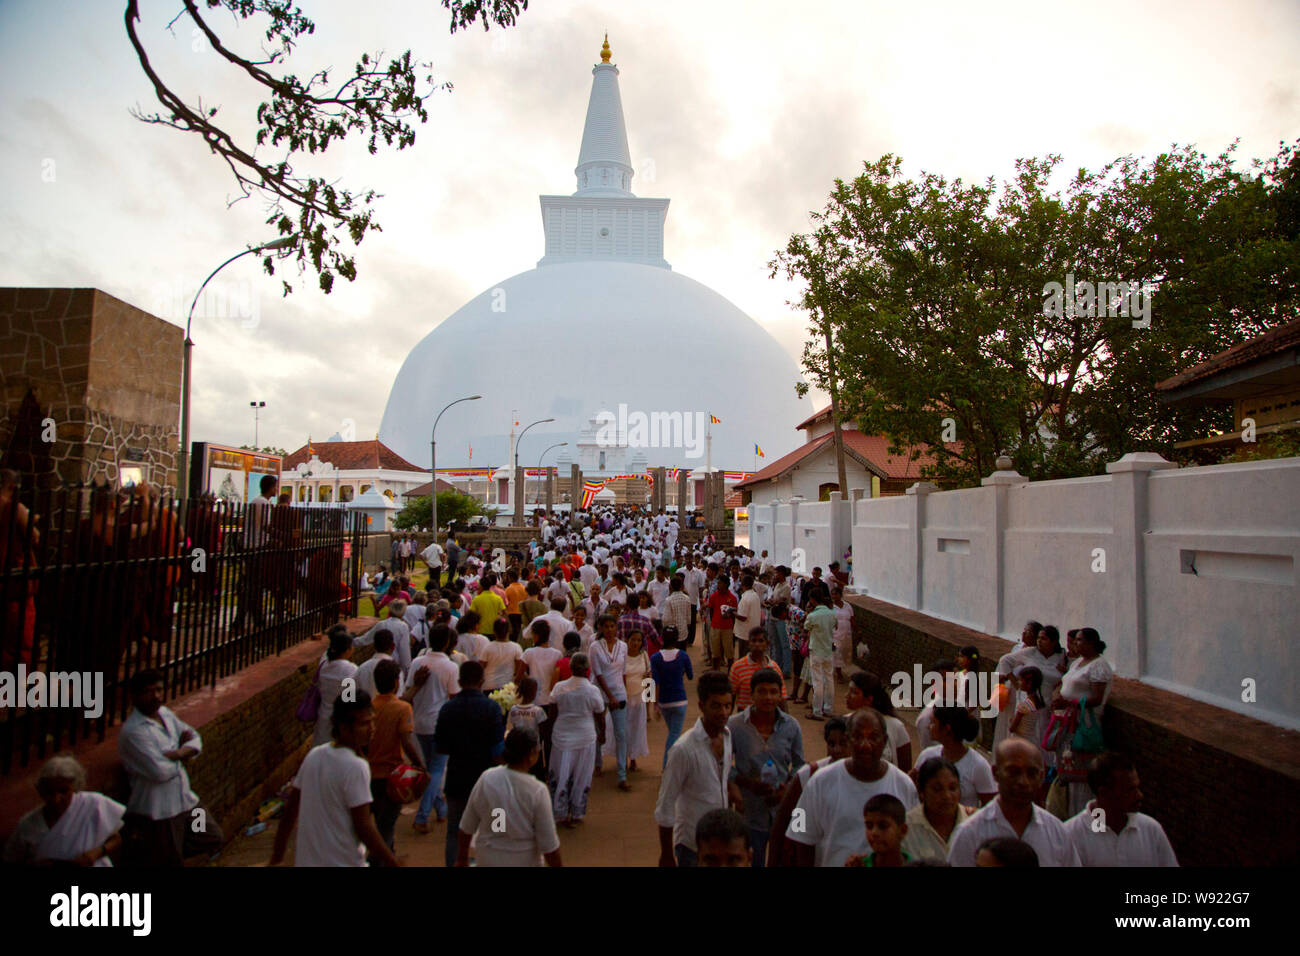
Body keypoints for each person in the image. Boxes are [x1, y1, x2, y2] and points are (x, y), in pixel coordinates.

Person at [270, 691, 400, 867]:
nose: (371, 729)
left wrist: (277, 857)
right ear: (344, 728)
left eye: (372, 722)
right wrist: (392, 862)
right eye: (364, 724)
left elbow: (290, 812)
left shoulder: (314, 756)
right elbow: (363, 827)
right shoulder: (356, 767)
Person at [117, 669, 224, 866]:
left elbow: (194, 738)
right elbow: (159, 772)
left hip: (188, 804)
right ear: (136, 696)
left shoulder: (165, 715)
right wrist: (184, 756)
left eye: (159, 690)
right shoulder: (133, 732)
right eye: (149, 691)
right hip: (161, 812)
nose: (156, 696)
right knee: (169, 858)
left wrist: (178, 754)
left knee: (211, 836)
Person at [786, 708, 918, 867]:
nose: (865, 745)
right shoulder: (819, 782)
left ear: (884, 741)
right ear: (848, 739)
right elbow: (800, 837)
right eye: (858, 737)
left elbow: (911, 844)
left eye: (873, 737)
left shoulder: (904, 785)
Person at [946, 737, 1081, 866]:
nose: (1023, 781)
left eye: (1031, 773)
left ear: (1041, 777)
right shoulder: (970, 833)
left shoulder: (1057, 833)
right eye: (1014, 772)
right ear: (995, 773)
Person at [655, 670, 743, 867]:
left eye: (728, 706)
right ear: (702, 706)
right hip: (691, 845)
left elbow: (721, 776)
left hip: (721, 842)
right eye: (716, 706)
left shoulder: (727, 736)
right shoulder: (683, 749)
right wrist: (667, 855)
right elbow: (665, 806)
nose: (723, 713)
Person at [433, 661, 506, 868]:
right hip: (487, 779)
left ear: (459, 681)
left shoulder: (448, 709)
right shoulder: (491, 707)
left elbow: (441, 747)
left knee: (455, 831)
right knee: (493, 830)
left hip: (457, 777)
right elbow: (497, 749)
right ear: (482, 681)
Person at [728, 669, 804, 867]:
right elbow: (725, 766)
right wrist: (748, 784)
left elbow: (799, 765)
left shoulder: (792, 726)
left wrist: (786, 790)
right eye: (761, 692)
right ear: (751, 694)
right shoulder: (735, 727)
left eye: (773, 692)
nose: (768, 697)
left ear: (780, 695)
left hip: (783, 811)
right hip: (749, 811)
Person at [456, 728, 562, 867]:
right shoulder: (537, 790)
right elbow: (549, 846)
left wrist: (462, 860)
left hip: (488, 859)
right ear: (531, 755)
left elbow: (466, 827)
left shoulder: (487, 778)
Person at [3, 755, 125, 867]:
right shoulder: (29, 826)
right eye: (50, 792)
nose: (56, 799)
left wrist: (96, 853)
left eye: (63, 791)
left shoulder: (93, 804)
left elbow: (116, 839)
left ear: (75, 787)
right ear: (40, 790)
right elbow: (11, 859)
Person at [1063, 752, 1178, 866]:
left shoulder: (1151, 830)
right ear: (1104, 792)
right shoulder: (1070, 835)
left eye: (1137, 788)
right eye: (1130, 790)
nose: (1139, 795)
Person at [768, 716, 850, 866]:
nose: (837, 749)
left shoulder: (862, 778)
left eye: (843, 743)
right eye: (831, 744)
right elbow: (784, 823)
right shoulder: (809, 775)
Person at [365, 659, 424, 863]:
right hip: (391, 775)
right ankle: (383, 858)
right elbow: (406, 742)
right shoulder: (401, 709)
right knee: (386, 826)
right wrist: (419, 764)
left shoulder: (370, 707)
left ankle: (384, 855)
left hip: (369, 774)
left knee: (378, 823)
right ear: (397, 683)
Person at [1052, 627, 1115, 816]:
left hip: (1085, 726)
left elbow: (1096, 698)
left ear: (1091, 643)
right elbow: (1064, 684)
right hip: (1068, 723)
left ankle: (1093, 822)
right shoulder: (1078, 662)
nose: (1075, 644)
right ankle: (1071, 818)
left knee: (1085, 775)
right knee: (1069, 769)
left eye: (1079, 640)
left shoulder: (1099, 666)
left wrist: (1069, 702)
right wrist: (1058, 695)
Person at [406, 625, 459, 834]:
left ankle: (441, 808)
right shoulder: (450, 667)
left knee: (431, 769)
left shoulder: (417, 662)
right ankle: (422, 816)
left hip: (419, 722)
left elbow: (409, 689)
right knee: (436, 770)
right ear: (447, 643)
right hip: (439, 723)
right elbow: (454, 697)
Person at [549, 653, 606, 827]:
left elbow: (552, 710)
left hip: (562, 736)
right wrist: (602, 733)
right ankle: (577, 812)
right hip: (585, 736)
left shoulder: (560, 687)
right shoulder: (592, 690)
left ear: (571, 668)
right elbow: (599, 714)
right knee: (582, 775)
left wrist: (554, 727)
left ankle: (559, 813)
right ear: (587, 669)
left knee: (561, 774)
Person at [911, 706, 997, 807]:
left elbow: (989, 807)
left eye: (933, 723)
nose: (928, 727)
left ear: (947, 729)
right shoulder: (927, 755)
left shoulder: (979, 765)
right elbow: (914, 792)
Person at [589, 613, 631, 791]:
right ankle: (598, 763)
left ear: (616, 628)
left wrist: (622, 693)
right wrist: (610, 696)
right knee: (598, 730)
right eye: (605, 627)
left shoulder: (623, 646)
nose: (609, 630)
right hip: (600, 692)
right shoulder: (595, 647)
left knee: (621, 733)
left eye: (612, 626)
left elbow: (623, 671)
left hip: (619, 692)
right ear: (600, 628)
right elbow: (598, 674)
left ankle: (622, 774)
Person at [900, 757, 971, 862]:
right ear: (921, 791)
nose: (947, 796)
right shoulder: (906, 828)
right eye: (937, 789)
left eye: (952, 788)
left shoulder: (974, 823)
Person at [845, 672, 912, 771]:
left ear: (868, 699)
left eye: (854, 692)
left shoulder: (896, 726)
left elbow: (905, 769)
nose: (847, 696)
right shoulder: (844, 723)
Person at [650, 625, 694, 767]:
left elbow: (654, 682)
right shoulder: (682, 656)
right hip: (680, 699)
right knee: (674, 734)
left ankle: (672, 764)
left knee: (673, 733)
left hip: (664, 701)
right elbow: (691, 675)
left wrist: (655, 704)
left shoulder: (655, 658)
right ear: (677, 639)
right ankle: (667, 765)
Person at [607, 629, 651, 772]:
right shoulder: (621, 656)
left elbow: (648, 679)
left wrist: (649, 704)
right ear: (627, 640)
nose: (635, 643)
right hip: (623, 699)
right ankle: (623, 759)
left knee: (636, 729)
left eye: (638, 640)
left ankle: (633, 758)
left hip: (639, 699)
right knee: (622, 729)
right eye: (633, 640)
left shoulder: (644, 656)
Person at [313, 629, 359, 746]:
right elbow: (349, 699)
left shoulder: (324, 666)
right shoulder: (350, 669)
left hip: (323, 716)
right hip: (340, 720)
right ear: (347, 650)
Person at [843, 793, 910, 866]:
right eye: (869, 826)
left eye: (883, 826)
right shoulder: (859, 865)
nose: (874, 833)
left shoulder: (916, 864)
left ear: (903, 831)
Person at [729, 627, 785, 711]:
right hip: (745, 718)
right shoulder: (737, 667)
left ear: (767, 644)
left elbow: (782, 698)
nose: (757, 644)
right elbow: (730, 696)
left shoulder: (774, 668)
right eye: (754, 641)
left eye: (761, 641)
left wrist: (785, 721)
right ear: (748, 644)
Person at [802, 591, 837, 719]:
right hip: (828, 650)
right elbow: (835, 626)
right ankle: (828, 708)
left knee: (817, 681)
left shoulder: (812, 615)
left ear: (812, 600)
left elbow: (806, 629)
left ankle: (817, 711)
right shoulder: (832, 613)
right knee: (829, 680)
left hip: (816, 650)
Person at [353, 627, 404, 700]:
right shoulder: (396, 670)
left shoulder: (362, 668)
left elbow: (353, 696)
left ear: (374, 646)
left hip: (365, 709)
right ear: (393, 647)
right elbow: (399, 695)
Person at [481, 618, 526, 693]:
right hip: (507, 687)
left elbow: (481, 667)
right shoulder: (516, 647)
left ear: (494, 631)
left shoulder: (487, 647)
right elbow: (519, 668)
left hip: (489, 685)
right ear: (509, 631)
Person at [705, 574, 739, 669]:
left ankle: (730, 673)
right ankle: (716, 672)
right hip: (715, 627)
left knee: (729, 652)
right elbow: (711, 610)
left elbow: (734, 614)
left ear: (725, 584)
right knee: (715, 653)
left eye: (719, 583)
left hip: (727, 628)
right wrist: (714, 622)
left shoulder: (732, 598)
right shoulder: (713, 596)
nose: (718, 585)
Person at [732, 574, 763, 658]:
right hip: (753, 631)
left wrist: (733, 612)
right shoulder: (755, 595)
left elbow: (743, 617)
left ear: (742, 585)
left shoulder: (745, 598)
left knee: (744, 656)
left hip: (745, 633)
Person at [830, 587, 853, 683]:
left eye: (836, 594)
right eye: (833, 594)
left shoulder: (847, 606)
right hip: (835, 635)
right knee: (837, 653)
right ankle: (839, 674)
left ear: (840, 594)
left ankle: (838, 670)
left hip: (846, 634)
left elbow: (852, 619)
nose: (834, 596)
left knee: (844, 653)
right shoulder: (830, 607)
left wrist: (858, 631)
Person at [503, 569, 528, 641]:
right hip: (520, 613)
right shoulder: (523, 588)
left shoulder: (508, 589)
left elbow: (505, 603)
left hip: (511, 613)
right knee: (518, 632)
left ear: (510, 578)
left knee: (512, 634)